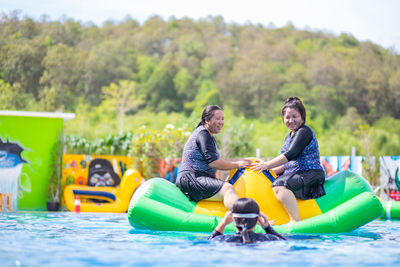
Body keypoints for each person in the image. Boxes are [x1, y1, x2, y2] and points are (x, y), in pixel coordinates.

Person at [251, 97, 325, 223]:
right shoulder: (290, 136)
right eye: (287, 117)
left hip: (311, 173)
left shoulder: (304, 132)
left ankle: (295, 220)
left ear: (302, 116)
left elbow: (290, 154)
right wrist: (266, 172)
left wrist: (266, 165)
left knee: (279, 185)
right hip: (297, 174)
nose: (291, 120)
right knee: (272, 180)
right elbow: (286, 164)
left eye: (294, 116)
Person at [176, 105, 251, 210]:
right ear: (207, 120)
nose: (221, 122)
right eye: (217, 119)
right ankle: (246, 218)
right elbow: (214, 163)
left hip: (194, 178)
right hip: (191, 179)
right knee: (228, 189)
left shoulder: (207, 135)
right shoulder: (203, 135)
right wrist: (237, 164)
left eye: (223, 119)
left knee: (227, 186)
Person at [208, 198, 286, 243]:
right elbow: (284, 241)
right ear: (258, 219)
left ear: (233, 219)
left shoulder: (223, 240)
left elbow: (210, 241)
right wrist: (268, 228)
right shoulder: (270, 238)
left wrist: (223, 223)